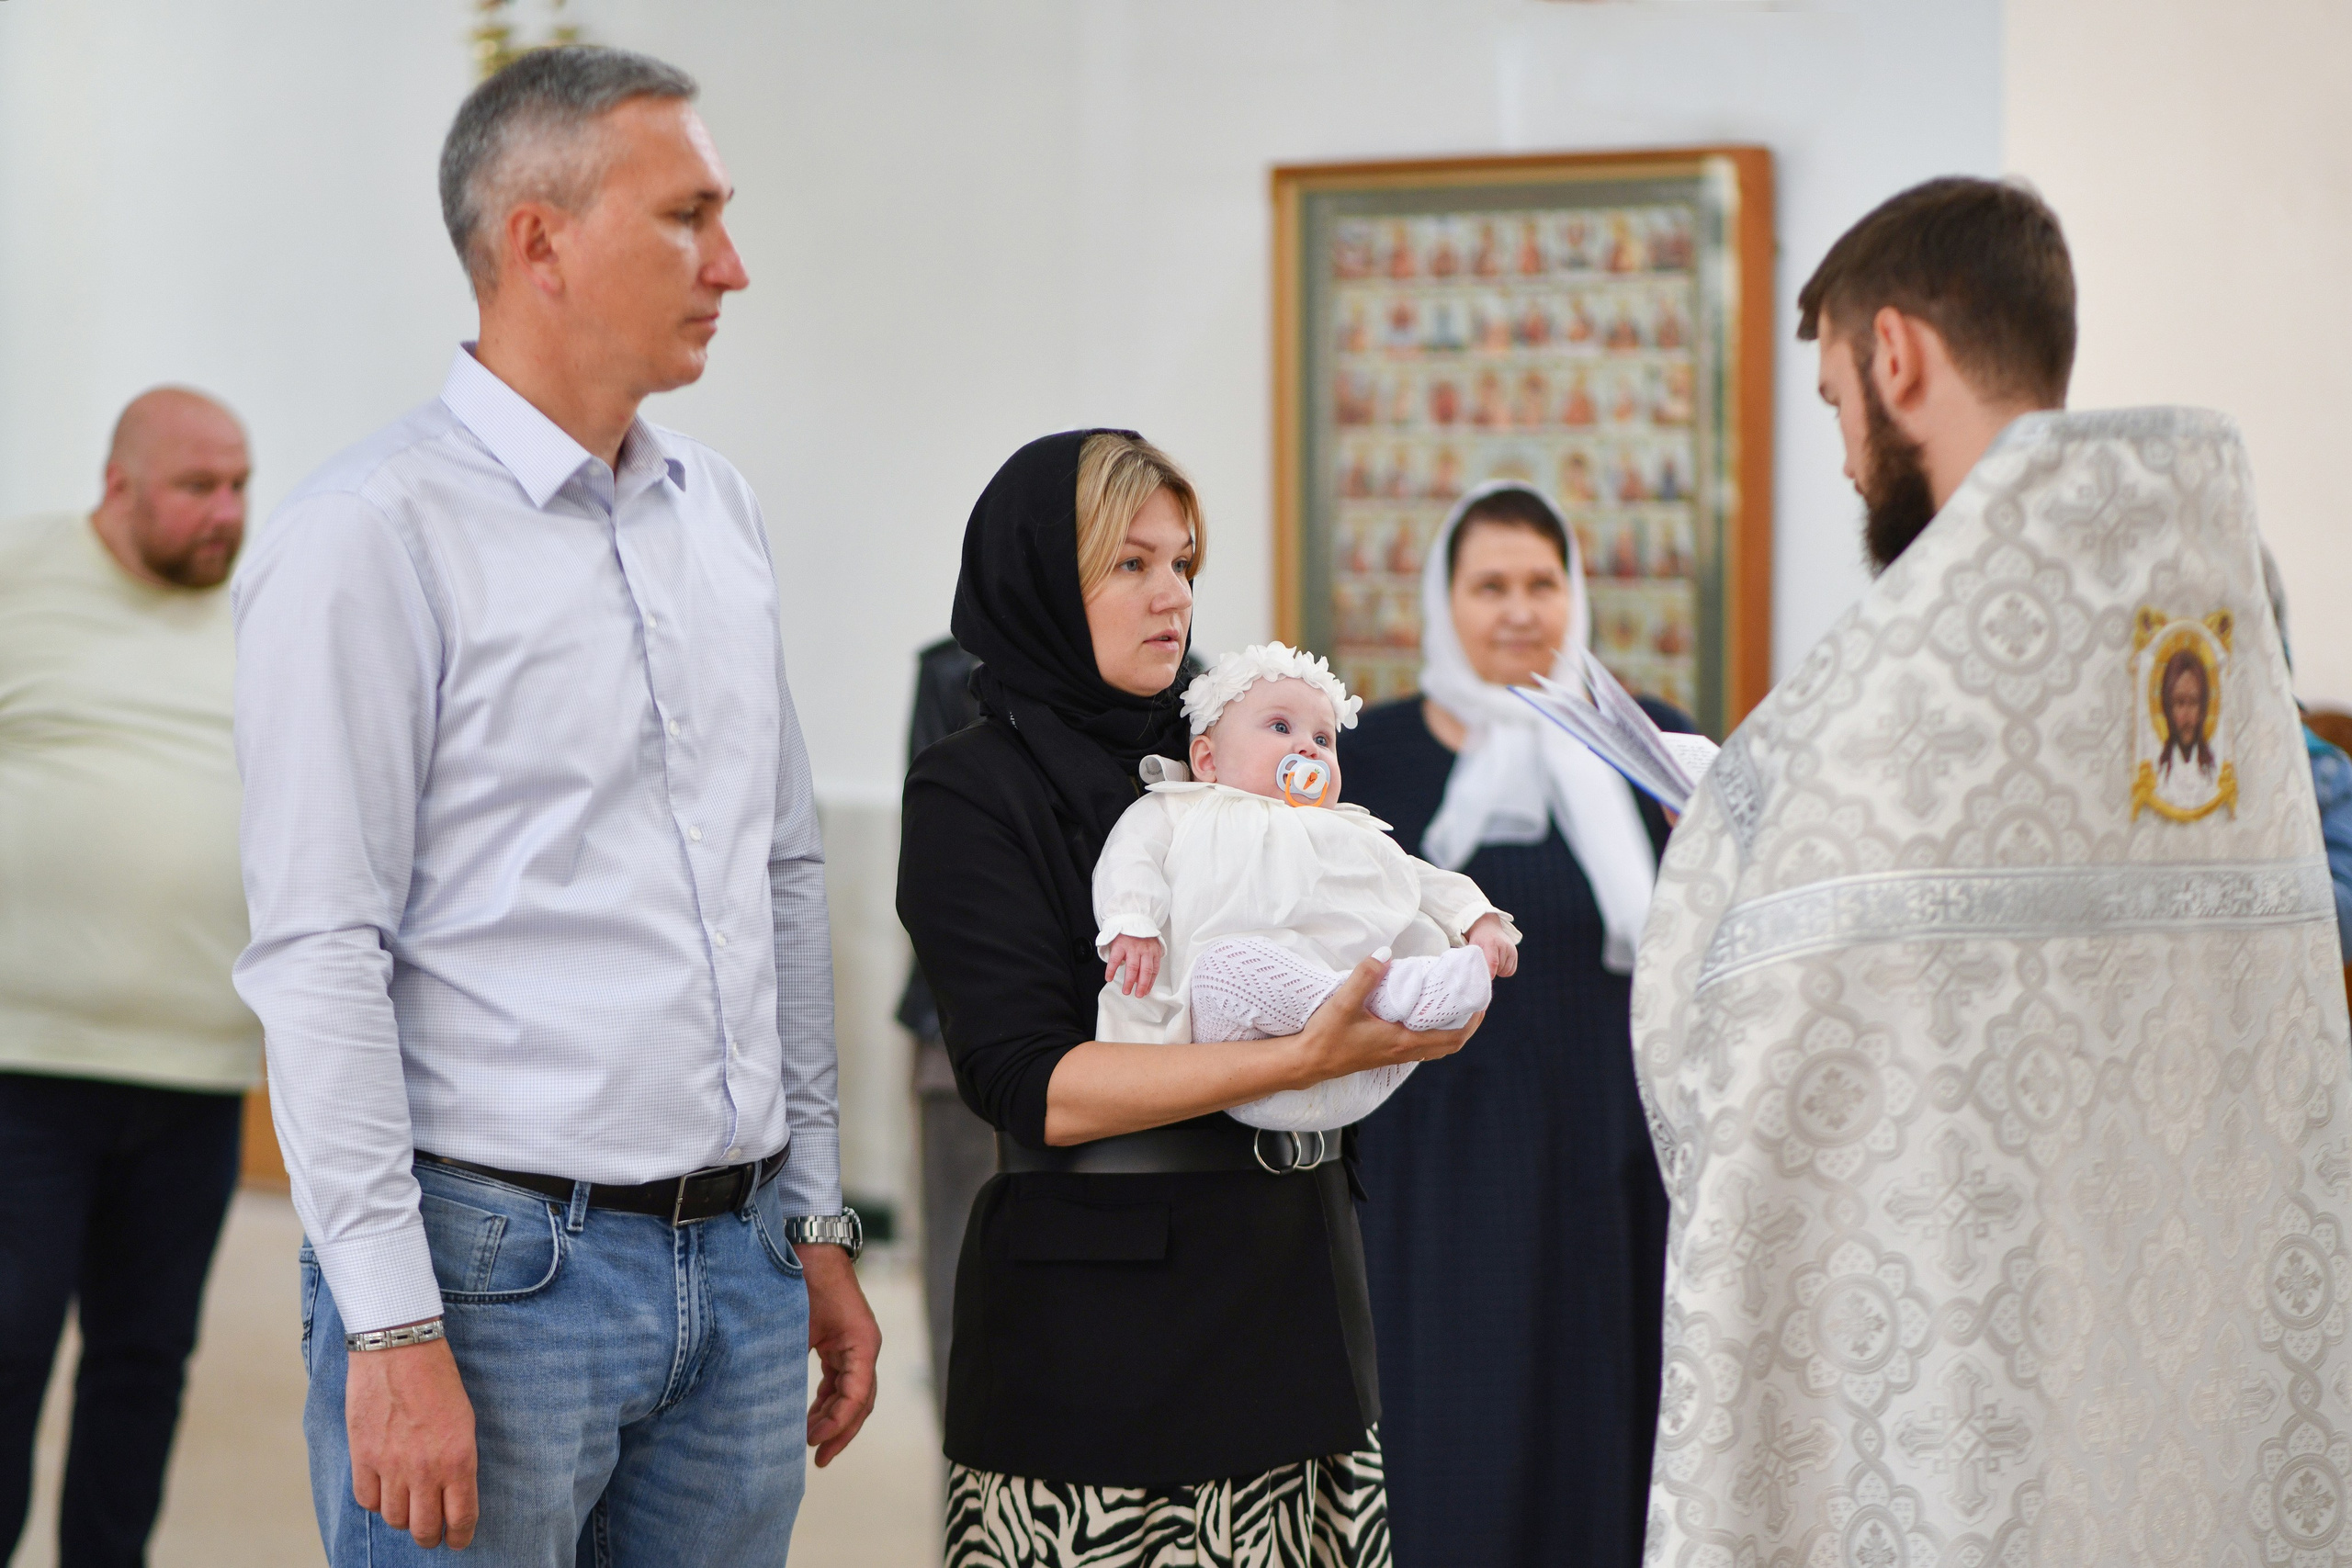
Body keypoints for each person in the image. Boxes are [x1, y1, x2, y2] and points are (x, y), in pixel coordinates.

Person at [1635, 177, 2352, 1561]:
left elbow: (1720, 1050)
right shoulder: (2208, 616)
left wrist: (1719, 858)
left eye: (1839, 398)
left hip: (1970, 1389)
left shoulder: (1888, 698)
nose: (1847, 457)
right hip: (2190, 1372)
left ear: (1896, 356)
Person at [232, 47, 877, 1563]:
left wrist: (817, 1218)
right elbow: (322, 948)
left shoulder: (717, 514)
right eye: (687, 216)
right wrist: (390, 1323)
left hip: (734, 1268)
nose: (733, 263)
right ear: (538, 239)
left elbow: (781, 869)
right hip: (494, 1272)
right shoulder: (366, 539)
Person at [899, 429, 1482, 1568]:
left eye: (1185, 563)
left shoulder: (1232, 744)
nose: (1171, 596)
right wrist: (1300, 1059)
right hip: (1105, 1345)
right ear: (1038, 576)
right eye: (1130, 564)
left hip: (1296, 1292)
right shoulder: (974, 783)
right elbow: (1030, 1086)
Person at [1340, 479, 1685, 1567]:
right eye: (1490, 585)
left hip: (1611, 1162)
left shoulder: (1651, 747)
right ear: (1443, 603)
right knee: (1453, 1432)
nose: (1519, 610)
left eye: (1542, 582)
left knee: (1601, 1430)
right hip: (1434, 1168)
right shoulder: (1374, 758)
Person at [0, 389, 255, 1568]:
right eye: (199, 488)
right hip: (25, 1065)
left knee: (145, 1362)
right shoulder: (22, 578)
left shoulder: (260, 614)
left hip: (197, 1074)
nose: (227, 513)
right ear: (119, 487)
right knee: (6, 1347)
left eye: (241, 485)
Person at [1092, 641, 1518, 1132]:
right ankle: (1362, 993)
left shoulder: (1347, 828)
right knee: (1226, 967)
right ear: (1207, 760)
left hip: (1356, 1072)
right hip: (1233, 1046)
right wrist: (1131, 920)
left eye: (1324, 739)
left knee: (1418, 945)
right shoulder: (1184, 806)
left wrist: (1478, 919)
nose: (1308, 748)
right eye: (1280, 727)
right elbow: (1130, 854)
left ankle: (1408, 992)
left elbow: (1421, 878)